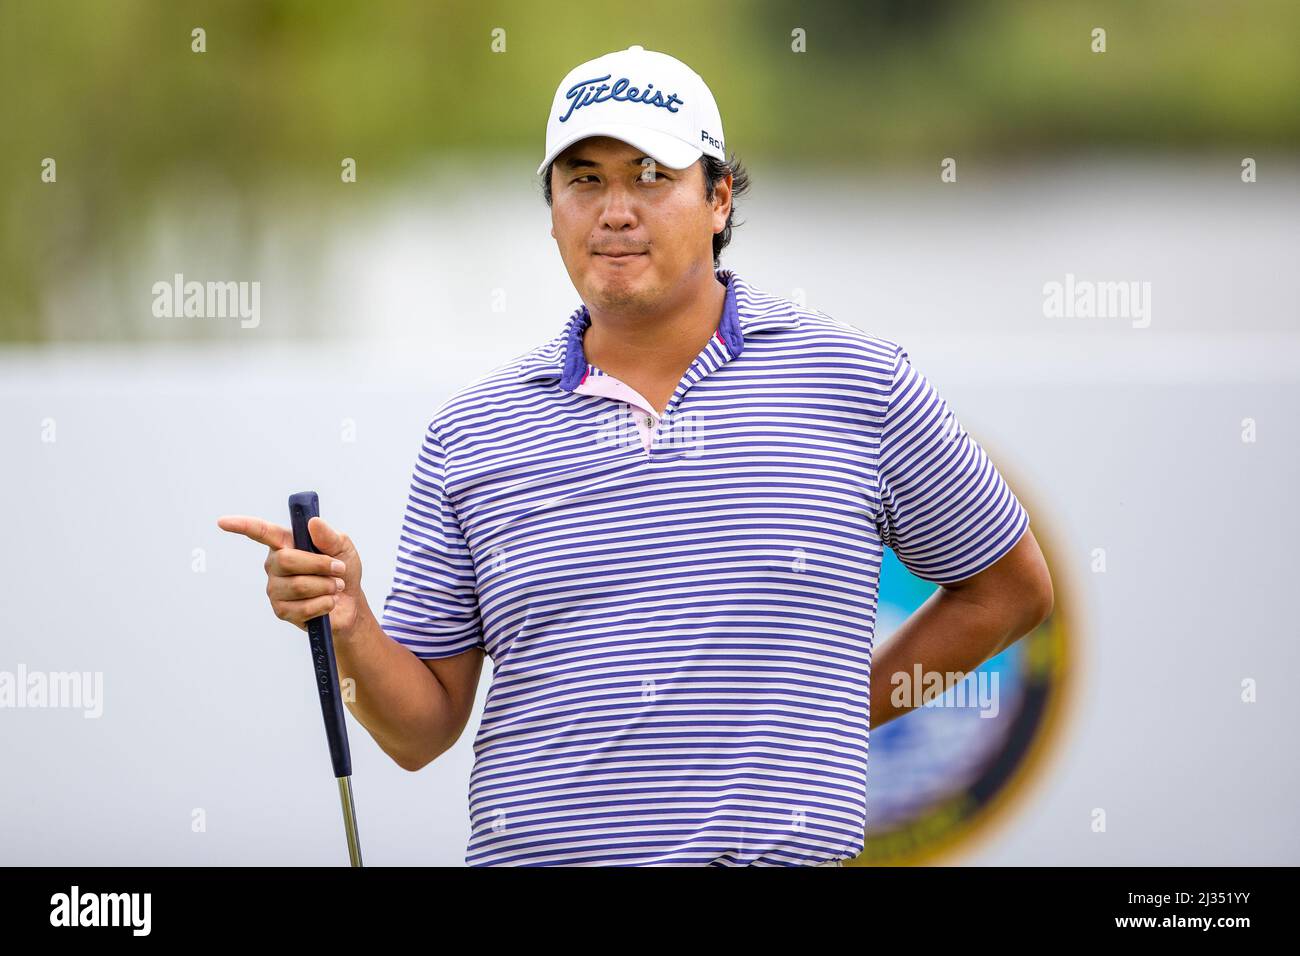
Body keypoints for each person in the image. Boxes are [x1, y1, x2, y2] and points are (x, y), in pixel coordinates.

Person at [219, 44, 1053, 867]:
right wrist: (352, 621)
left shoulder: (857, 382)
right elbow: (420, 730)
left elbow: (1009, 589)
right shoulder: (472, 432)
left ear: (719, 198)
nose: (615, 209)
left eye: (652, 175)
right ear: (552, 207)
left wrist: (840, 706)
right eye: (583, 179)